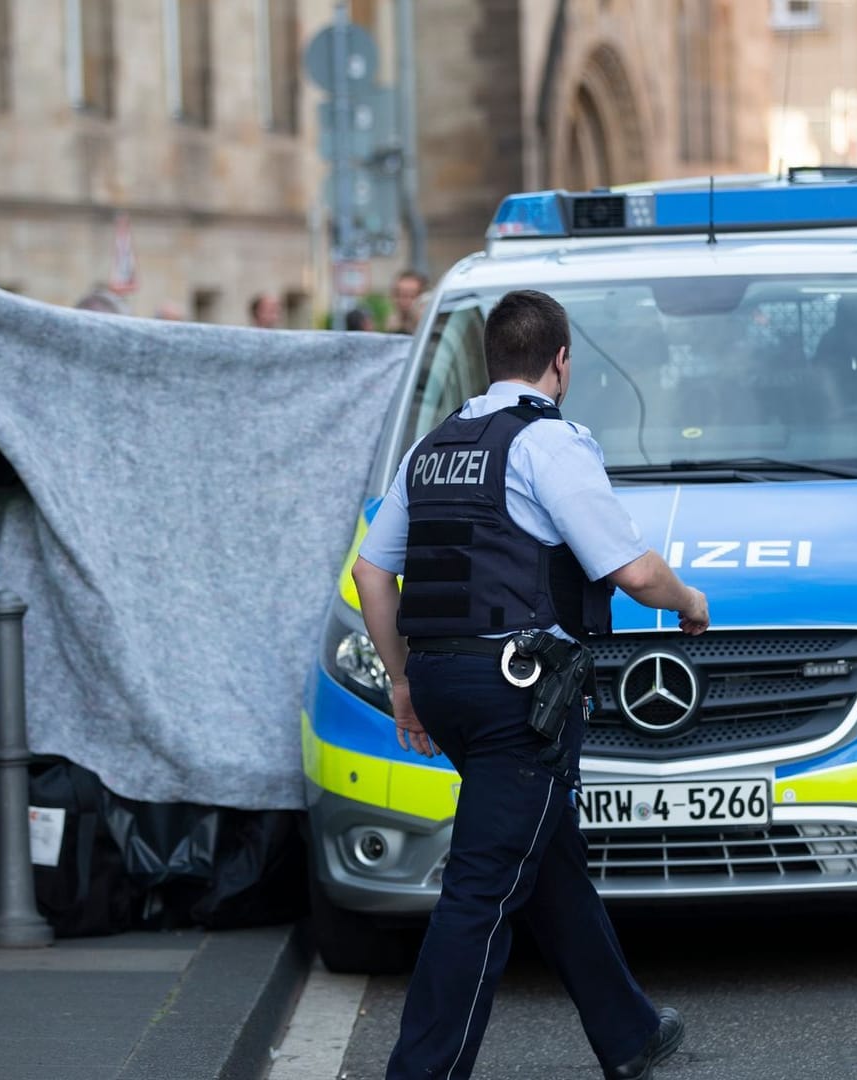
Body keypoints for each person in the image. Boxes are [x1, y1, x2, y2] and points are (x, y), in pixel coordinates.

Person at [351, 290, 708, 1080]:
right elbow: (632, 570)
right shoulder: (549, 445)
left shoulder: (435, 447)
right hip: (522, 697)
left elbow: (372, 572)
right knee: (480, 893)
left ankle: (629, 1034)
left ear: (490, 360)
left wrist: (403, 682)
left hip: (446, 685)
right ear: (561, 362)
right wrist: (689, 604)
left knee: (545, 858)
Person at [385, 269, 429, 335]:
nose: (406, 301)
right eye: (400, 295)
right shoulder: (393, 326)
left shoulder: (428, 325)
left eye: (412, 296)